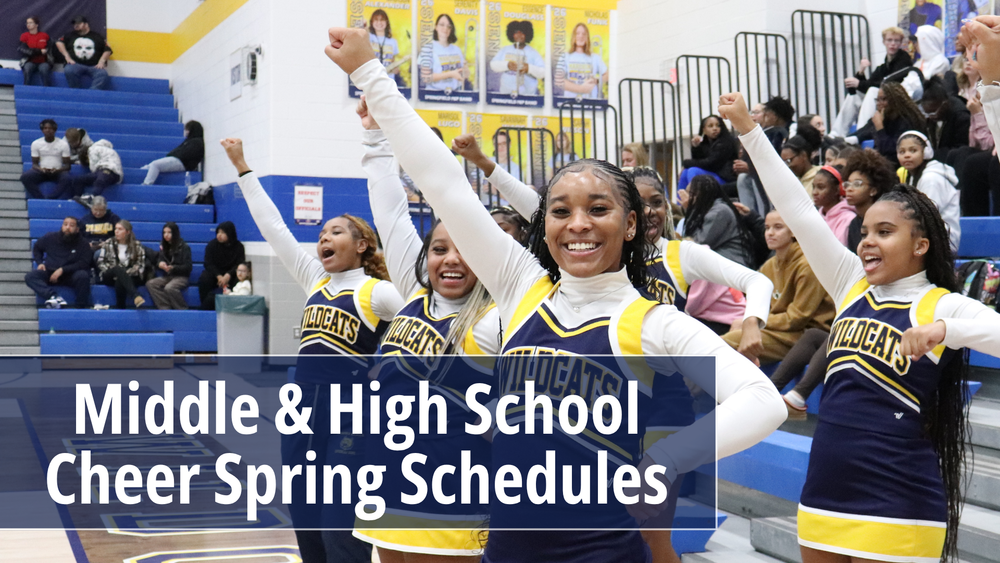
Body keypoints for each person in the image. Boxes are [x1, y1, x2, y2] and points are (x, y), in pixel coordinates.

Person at [331, 32, 785, 562]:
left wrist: (664, 462)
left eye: (598, 209)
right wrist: (370, 73)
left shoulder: (651, 322)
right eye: (561, 211)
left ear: (632, 224)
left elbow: (763, 401)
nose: (578, 225)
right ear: (542, 224)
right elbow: (443, 183)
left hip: (603, 550)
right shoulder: (521, 285)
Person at [723, 88, 1000, 563]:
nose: (867, 241)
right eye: (866, 231)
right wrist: (749, 130)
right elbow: (799, 211)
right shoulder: (851, 283)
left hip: (899, 501)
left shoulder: (943, 305)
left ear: (921, 246)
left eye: (885, 232)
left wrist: (947, 332)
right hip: (825, 493)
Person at [221, 136, 402, 563]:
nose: (324, 237)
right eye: (321, 233)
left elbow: (424, 332)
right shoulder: (314, 281)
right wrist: (243, 168)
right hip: (301, 411)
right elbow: (275, 229)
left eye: (335, 231)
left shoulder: (379, 292)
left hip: (349, 415)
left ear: (361, 245)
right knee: (303, 515)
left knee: (340, 522)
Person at [353, 96, 500, 563]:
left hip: (448, 486)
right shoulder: (414, 294)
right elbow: (392, 214)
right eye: (439, 248)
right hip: (387, 474)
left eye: (465, 248)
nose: (451, 258)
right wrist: (375, 138)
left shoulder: (496, 318)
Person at [721, 210, 835, 365]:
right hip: (777, 330)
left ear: (794, 232)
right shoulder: (768, 266)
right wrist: (749, 322)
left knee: (729, 342)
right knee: (724, 339)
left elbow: (797, 319)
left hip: (804, 336)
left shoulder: (809, 265)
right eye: (767, 228)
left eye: (778, 227)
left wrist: (752, 323)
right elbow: (756, 305)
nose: (770, 233)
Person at [831, 26, 911, 137]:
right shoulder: (884, 66)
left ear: (901, 42)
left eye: (896, 41)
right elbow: (867, 84)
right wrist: (861, 71)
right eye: (889, 40)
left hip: (893, 100)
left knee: (874, 91)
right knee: (854, 95)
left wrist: (859, 83)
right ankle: (836, 133)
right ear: (884, 42)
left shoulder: (904, 60)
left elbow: (887, 84)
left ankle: (860, 133)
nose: (893, 44)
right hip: (882, 98)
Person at [896, 131, 962, 252]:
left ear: (926, 152)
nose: (907, 155)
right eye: (902, 152)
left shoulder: (931, 179)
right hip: (924, 238)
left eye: (913, 150)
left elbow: (927, 217)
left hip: (943, 243)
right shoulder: (912, 177)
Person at [852, 81, 926, 166]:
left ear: (894, 100)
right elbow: (862, 133)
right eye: (878, 100)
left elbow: (892, 149)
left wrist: (880, 128)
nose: (880, 104)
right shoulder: (883, 117)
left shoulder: (906, 121)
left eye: (884, 99)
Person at [26, 217, 92, 309]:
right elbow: (37, 248)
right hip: (50, 272)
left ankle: (80, 307)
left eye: (71, 225)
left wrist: (62, 270)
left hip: (71, 275)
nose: (67, 227)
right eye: (65, 224)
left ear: (77, 229)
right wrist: (40, 262)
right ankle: (54, 297)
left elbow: (84, 263)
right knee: (31, 276)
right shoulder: (50, 237)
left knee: (83, 275)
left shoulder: (83, 244)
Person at [842, 149, 897, 252]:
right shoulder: (854, 224)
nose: (849, 188)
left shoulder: (886, 220)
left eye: (857, 184)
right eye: (847, 184)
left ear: (873, 190)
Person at [95, 220, 146, 309]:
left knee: (120, 281)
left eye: (120, 229)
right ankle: (136, 295)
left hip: (130, 275)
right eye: (116, 229)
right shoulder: (109, 242)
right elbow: (101, 262)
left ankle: (120, 308)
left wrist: (125, 273)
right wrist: (115, 271)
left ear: (127, 232)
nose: (116, 231)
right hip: (110, 274)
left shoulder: (136, 245)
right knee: (117, 269)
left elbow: (140, 264)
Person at [679, 115, 739, 191]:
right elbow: (698, 160)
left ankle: (696, 198)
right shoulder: (705, 143)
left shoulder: (725, 142)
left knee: (693, 170)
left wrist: (685, 163)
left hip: (724, 178)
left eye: (718, 126)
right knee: (685, 172)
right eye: (710, 126)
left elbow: (710, 164)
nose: (715, 128)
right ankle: (680, 201)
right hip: (712, 175)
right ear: (704, 130)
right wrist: (696, 147)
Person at [920, 77, 971, 164]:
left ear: (944, 105)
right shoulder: (931, 117)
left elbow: (961, 148)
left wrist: (932, 155)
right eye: (927, 114)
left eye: (933, 113)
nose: (930, 117)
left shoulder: (961, 117)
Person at [198, 221, 246, 310]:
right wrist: (219, 276)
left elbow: (238, 264)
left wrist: (228, 275)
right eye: (218, 232)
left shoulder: (239, 247)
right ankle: (205, 306)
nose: (219, 235)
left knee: (239, 280)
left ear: (230, 233)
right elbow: (208, 263)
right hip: (215, 274)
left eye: (223, 232)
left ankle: (232, 308)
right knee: (204, 278)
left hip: (231, 274)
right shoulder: (212, 245)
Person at [489, 20, 544, 97]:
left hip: (527, 96)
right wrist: (507, 65)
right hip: (506, 94)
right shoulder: (505, 50)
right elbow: (493, 65)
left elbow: (543, 72)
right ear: (511, 34)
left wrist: (529, 68)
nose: (519, 35)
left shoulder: (533, 53)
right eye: (516, 32)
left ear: (527, 34)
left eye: (522, 33)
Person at [56, 16, 112, 90]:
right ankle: (76, 92)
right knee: (69, 70)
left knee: (102, 74)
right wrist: (67, 56)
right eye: (75, 24)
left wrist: (102, 61)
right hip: (75, 64)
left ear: (86, 25)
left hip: (94, 65)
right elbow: (59, 42)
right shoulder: (70, 35)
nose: (76, 25)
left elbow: (108, 49)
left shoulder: (97, 36)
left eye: (79, 23)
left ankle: (92, 93)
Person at [555, 23, 608, 101]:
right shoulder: (565, 56)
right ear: (574, 36)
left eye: (584, 34)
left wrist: (597, 80)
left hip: (590, 103)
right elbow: (559, 80)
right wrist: (581, 89)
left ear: (587, 38)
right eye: (577, 33)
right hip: (571, 102)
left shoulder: (595, 57)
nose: (581, 36)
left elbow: (607, 74)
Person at [146, 222, 193, 310]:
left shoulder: (184, 247)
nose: (166, 235)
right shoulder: (164, 246)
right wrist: (160, 264)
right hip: (168, 276)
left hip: (181, 277)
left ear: (175, 233)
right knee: (151, 284)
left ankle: (182, 309)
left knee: (170, 287)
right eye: (164, 232)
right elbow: (160, 259)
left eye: (169, 232)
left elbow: (188, 267)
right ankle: (165, 308)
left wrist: (174, 268)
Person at [21, 119, 71, 200]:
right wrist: (41, 169)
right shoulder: (36, 143)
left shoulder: (63, 144)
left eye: (50, 128)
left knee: (67, 178)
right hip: (42, 171)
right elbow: (35, 164)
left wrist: (58, 170)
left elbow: (67, 166)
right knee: (25, 177)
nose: (48, 130)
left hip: (57, 172)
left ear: (54, 130)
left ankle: (52, 198)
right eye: (45, 128)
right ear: (42, 130)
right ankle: (39, 198)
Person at [419, 14, 468, 92]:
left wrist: (466, 70)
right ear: (436, 27)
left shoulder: (457, 50)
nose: (445, 28)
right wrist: (450, 74)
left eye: (448, 26)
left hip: (456, 95)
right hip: (434, 96)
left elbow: (464, 76)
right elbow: (426, 77)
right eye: (442, 25)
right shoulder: (428, 49)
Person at [811, 165, 856, 245]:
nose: (814, 192)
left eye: (821, 187)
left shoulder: (847, 218)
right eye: (813, 187)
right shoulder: (816, 216)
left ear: (837, 190)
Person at [71, 139, 122, 204]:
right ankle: (77, 198)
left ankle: (92, 198)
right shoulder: (102, 151)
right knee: (78, 180)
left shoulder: (92, 150)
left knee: (100, 179)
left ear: (86, 156)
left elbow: (93, 165)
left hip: (112, 171)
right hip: (100, 171)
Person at [368, 10, 403, 86]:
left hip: (388, 80)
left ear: (386, 22)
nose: (379, 23)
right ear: (371, 22)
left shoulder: (393, 41)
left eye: (382, 20)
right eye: (376, 20)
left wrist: (395, 69)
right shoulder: (368, 37)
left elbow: (392, 60)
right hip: (372, 79)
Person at [19, 16, 51, 87]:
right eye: (27, 23)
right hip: (29, 61)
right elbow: (24, 50)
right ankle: (26, 89)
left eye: (30, 23)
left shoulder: (44, 36)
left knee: (44, 70)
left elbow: (49, 49)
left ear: (36, 25)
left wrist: (35, 51)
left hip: (43, 61)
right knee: (27, 69)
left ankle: (47, 90)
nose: (28, 24)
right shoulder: (24, 36)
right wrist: (39, 51)